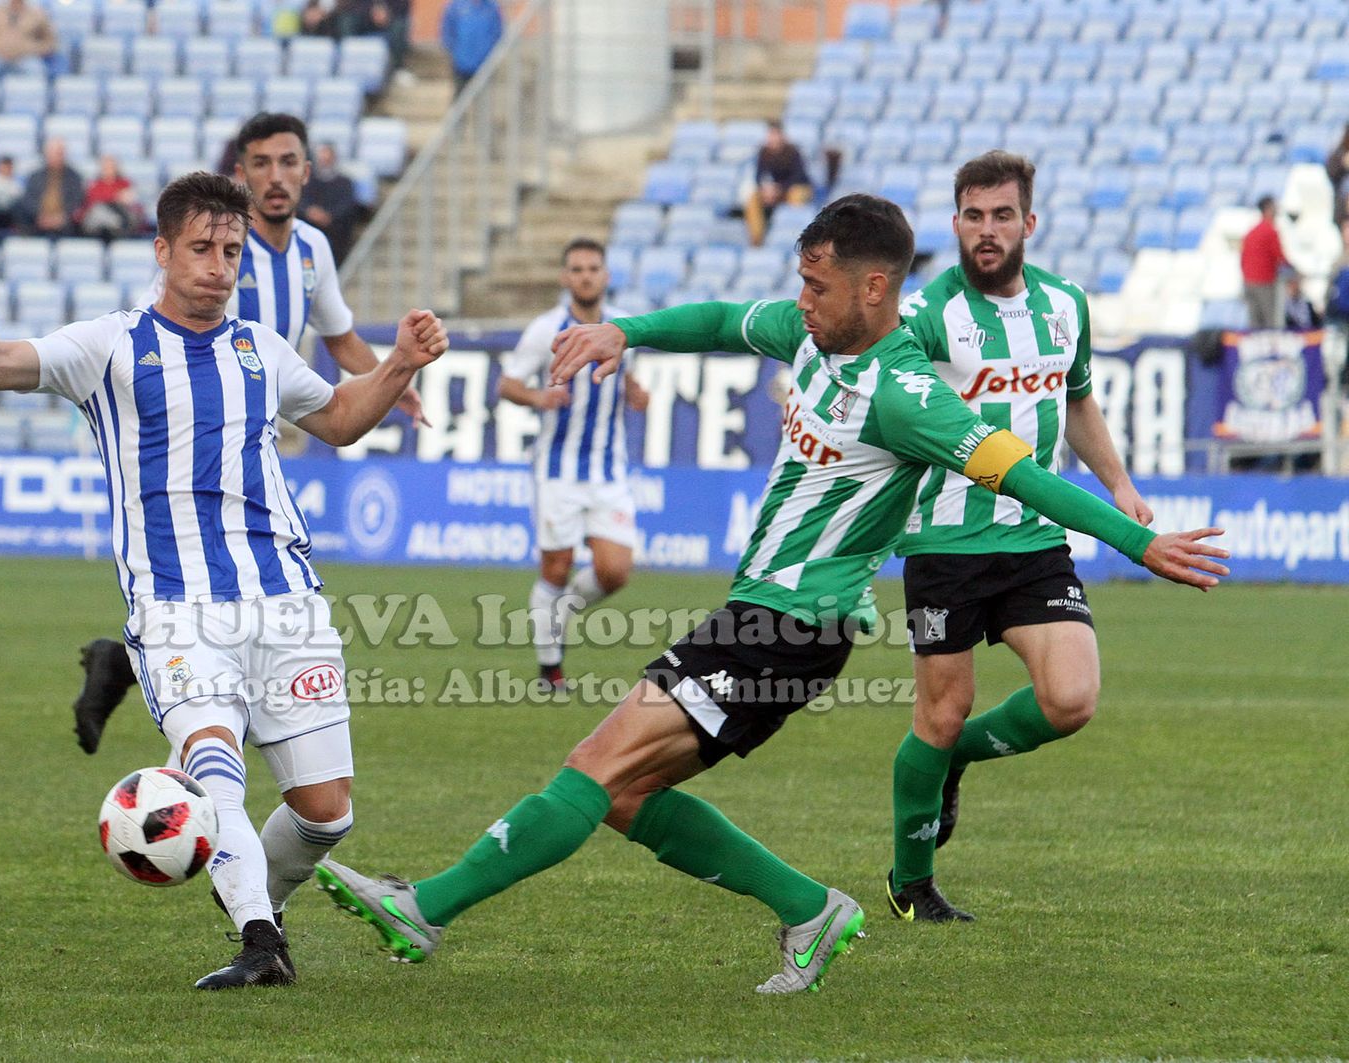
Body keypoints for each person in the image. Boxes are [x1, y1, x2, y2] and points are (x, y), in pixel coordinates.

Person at [313, 194, 1229, 994]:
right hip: (766, 614)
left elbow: (1025, 474)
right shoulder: (810, 331)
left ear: (875, 288)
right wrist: (623, 331)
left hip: (790, 625)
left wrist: (1137, 538)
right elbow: (719, 321)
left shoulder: (909, 394)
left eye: (818, 285)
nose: (801, 301)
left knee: (597, 762)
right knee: (626, 797)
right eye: (800, 282)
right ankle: (808, 909)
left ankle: (423, 908)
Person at [0, 170, 450, 989]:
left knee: (328, 814)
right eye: (203, 249)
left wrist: (400, 364)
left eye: (232, 251)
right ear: (163, 251)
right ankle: (260, 938)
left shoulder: (259, 347)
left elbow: (343, 420)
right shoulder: (107, 345)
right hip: (177, 608)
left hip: (286, 600)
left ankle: (259, 900)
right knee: (216, 768)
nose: (219, 266)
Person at [69, 112, 427, 756]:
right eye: (260, 163)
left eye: (288, 162)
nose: (276, 176)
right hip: (198, 425)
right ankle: (190, 716)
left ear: (307, 172)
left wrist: (390, 381)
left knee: (238, 579)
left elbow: (339, 334)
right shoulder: (213, 243)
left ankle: (132, 666)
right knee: (210, 584)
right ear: (241, 173)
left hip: (265, 414)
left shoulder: (314, 249)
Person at [885, 151, 1154, 922]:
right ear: (956, 223)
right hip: (943, 542)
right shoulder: (926, 315)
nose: (987, 230)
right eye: (973, 215)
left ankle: (960, 756)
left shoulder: (1066, 306)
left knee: (1071, 698)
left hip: (1034, 537)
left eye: (1002, 215)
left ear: (1029, 222)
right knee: (938, 712)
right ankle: (912, 883)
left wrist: (1118, 484)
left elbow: (1078, 403)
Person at [497, 238, 650, 690]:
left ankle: (558, 614)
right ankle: (551, 670)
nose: (585, 276)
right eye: (577, 269)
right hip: (557, 468)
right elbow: (507, 384)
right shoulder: (546, 330)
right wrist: (537, 397)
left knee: (614, 571)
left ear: (605, 276)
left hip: (608, 469)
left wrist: (636, 392)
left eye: (593, 268)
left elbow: (627, 376)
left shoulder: (623, 328)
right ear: (566, 278)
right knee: (557, 568)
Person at [744, 121, 813, 247]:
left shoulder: (793, 152)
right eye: (771, 135)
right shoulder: (763, 152)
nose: (773, 139)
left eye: (775, 135)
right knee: (753, 198)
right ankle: (757, 239)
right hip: (775, 190)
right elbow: (758, 176)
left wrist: (780, 188)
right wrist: (766, 189)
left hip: (796, 187)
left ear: (782, 136)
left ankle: (794, 235)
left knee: (796, 194)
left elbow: (799, 176)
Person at [297, 142, 358, 263]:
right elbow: (299, 202)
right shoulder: (305, 182)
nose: (324, 158)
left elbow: (347, 205)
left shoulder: (345, 182)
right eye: (322, 154)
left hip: (336, 233)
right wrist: (310, 212)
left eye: (327, 154)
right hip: (307, 230)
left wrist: (329, 216)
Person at [1240, 196, 1291, 331]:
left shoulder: (1251, 231)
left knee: (1254, 321)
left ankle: (1256, 350)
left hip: (1249, 281)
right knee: (1270, 322)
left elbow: (1243, 257)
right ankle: (1269, 351)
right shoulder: (1270, 231)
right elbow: (1279, 256)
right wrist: (1294, 270)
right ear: (1268, 209)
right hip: (1265, 282)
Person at [16, 137, 85, 237]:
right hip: (37, 221)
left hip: (65, 224)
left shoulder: (74, 177)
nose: (56, 156)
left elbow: (77, 201)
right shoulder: (35, 176)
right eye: (53, 153)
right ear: (46, 154)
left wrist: (61, 218)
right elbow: (28, 200)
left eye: (59, 153)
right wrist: (40, 216)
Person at [0, 0, 57, 78]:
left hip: (26, 58)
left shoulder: (38, 14)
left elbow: (50, 41)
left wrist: (33, 48)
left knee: (37, 70)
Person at [441, 0, 503, 94]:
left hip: (485, 64)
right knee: (460, 98)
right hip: (461, 63)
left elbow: (497, 32)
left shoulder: (491, 7)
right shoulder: (456, 6)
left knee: (484, 101)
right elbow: (447, 31)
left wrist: (491, 53)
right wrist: (455, 52)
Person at [341, 0, 411, 80]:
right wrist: (371, 11)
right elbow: (352, 4)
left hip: (390, 16)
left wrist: (387, 12)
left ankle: (397, 68)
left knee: (399, 26)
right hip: (364, 15)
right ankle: (347, 65)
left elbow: (403, 5)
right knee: (346, 21)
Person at [78, 155, 143, 239]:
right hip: (99, 227)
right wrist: (116, 197)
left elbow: (134, 205)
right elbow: (91, 205)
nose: (108, 169)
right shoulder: (94, 185)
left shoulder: (125, 184)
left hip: (121, 220)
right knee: (99, 211)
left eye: (111, 167)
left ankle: (117, 223)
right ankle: (116, 222)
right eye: (105, 167)